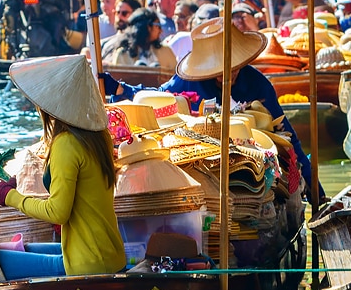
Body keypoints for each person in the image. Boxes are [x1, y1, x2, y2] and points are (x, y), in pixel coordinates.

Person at [105, 17, 313, 199]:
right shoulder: (188, 80)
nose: (227, 74)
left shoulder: (257, 84)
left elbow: (286, 134)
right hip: (202, 163)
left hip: (251, 164)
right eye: (219, 69)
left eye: (233, 67)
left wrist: (316, 191)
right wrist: (120, 88)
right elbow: (158, 98)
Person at [0, 55, 125, 276]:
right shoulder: (99, 136)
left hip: (87, 264)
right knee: (24, 250)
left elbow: (57, 212)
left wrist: (10, 196)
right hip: (108, 254)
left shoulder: (66, 143)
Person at [102, 6, 178, 72]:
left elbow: (175, 77)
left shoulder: (165, 51)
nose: (161, 30)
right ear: (148, 27)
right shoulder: (123, 54)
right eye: (158, 25)